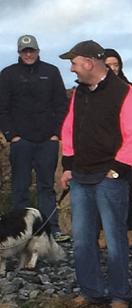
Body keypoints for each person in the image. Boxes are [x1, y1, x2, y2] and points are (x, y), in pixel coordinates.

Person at [58, 40, 132, 308]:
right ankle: (92, 291)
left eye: (74, 63)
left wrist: (117, 170)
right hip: (81, 177)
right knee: (82, 239)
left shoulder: (129, 95)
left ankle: (120, 295)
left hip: (109, 178)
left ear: (88, 62)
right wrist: (68, 166)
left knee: (114, 238)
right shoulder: (79, 93)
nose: (72, 69)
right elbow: (70, 129)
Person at [0, 34, 68, 241]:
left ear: (38, 51)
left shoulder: (51, 71)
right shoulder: (8, 74)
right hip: (21, 141)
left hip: (47, 140)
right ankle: (19, 232)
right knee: (20, 186)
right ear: (19, 52)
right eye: (24, 51)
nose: (28, 54)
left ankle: (50, 229)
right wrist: (11, 135)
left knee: (46, 187)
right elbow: (2, 107)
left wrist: (57, 132)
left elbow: (61, 104)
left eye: (32, 50)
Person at [104, 48, 132, 249]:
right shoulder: (95, 90)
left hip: (128, 149)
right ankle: (103, 232)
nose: (112, 69)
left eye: (116, 65)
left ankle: (128, 232)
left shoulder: (131, 89)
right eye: (108, 65)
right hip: (103, 150)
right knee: (101, 192)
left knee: (126, 191)